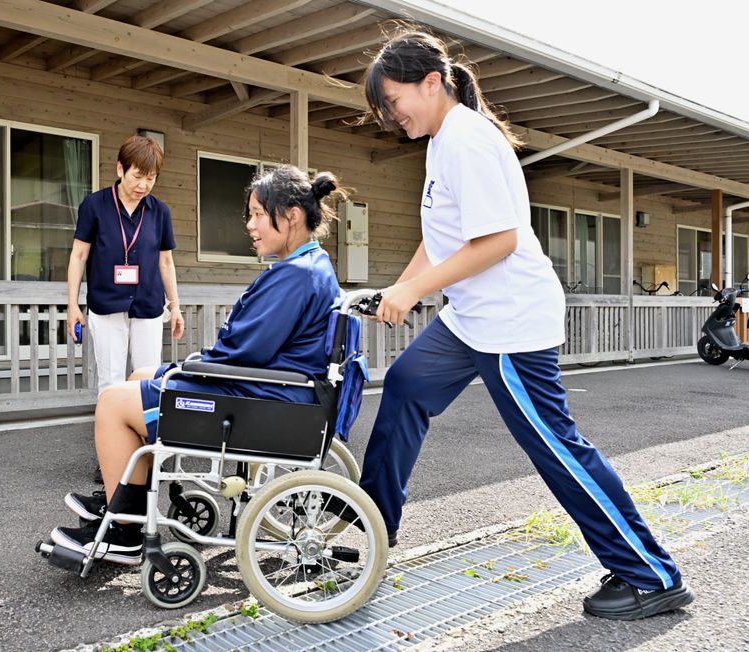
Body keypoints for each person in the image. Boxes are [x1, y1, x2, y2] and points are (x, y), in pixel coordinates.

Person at [354, 28, 693, 621]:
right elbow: (441, 239)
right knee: (406, 385)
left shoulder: (469, 143)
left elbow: (499, 242)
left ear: (432, 83)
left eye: (392, 100)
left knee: (556, 448)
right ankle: (377, 535)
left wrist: (412, 291)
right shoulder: (441, 140)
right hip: (471, 320)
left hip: (511, 325)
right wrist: (400, 288)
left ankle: (652, 574)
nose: (390, 115)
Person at [50, 166, 347, 565]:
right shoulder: (311, 267)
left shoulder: (294, 276)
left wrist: (193, 365)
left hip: (254, 400)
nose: (250, 225)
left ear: (291, 216)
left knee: (112, 402)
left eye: (259, 214)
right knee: (139, 376)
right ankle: (122, 499)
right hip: (273, 393)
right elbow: (248, 347)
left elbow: (241, 353)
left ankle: (124, 531)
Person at [67, 134, 185, 395]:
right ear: (121, 168)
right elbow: (78, 256)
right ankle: (110, 435)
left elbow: (166, 261)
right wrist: (73, 305)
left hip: (148, 304)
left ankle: (143, 433)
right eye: (138, 176)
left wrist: (175, 307)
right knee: (111, 381)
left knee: (148, 378)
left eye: (151, 178)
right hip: (106, 303)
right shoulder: (94, 205)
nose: (143, 185)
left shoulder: (160, 212)